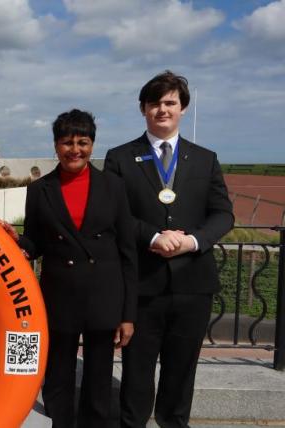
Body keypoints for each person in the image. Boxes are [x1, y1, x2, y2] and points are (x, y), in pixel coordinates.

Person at [104, 71, 233, 428]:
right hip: (142, 284)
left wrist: (192, 241)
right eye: (154, 103)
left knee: (181, 370)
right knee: (136, 370)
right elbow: (114, 215)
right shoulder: (119, 158)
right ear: (143, 108)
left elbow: (223, 214)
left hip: (193, 284)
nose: (162, 109)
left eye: (170, 102)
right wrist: (152, 236)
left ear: (183, 108)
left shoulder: (205, 159)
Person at [1, 109, 137, 427]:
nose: (75, 149)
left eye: (83, 142)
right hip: (59, 297)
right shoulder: (39, 190)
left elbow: (128, 253)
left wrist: (128, 314)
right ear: (55, 146)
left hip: (104, 297)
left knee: (99, 381)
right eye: (67, 142)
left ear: (92, 145)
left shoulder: (114, 187)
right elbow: (35, 243)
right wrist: (16, 239)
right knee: (58, 378)